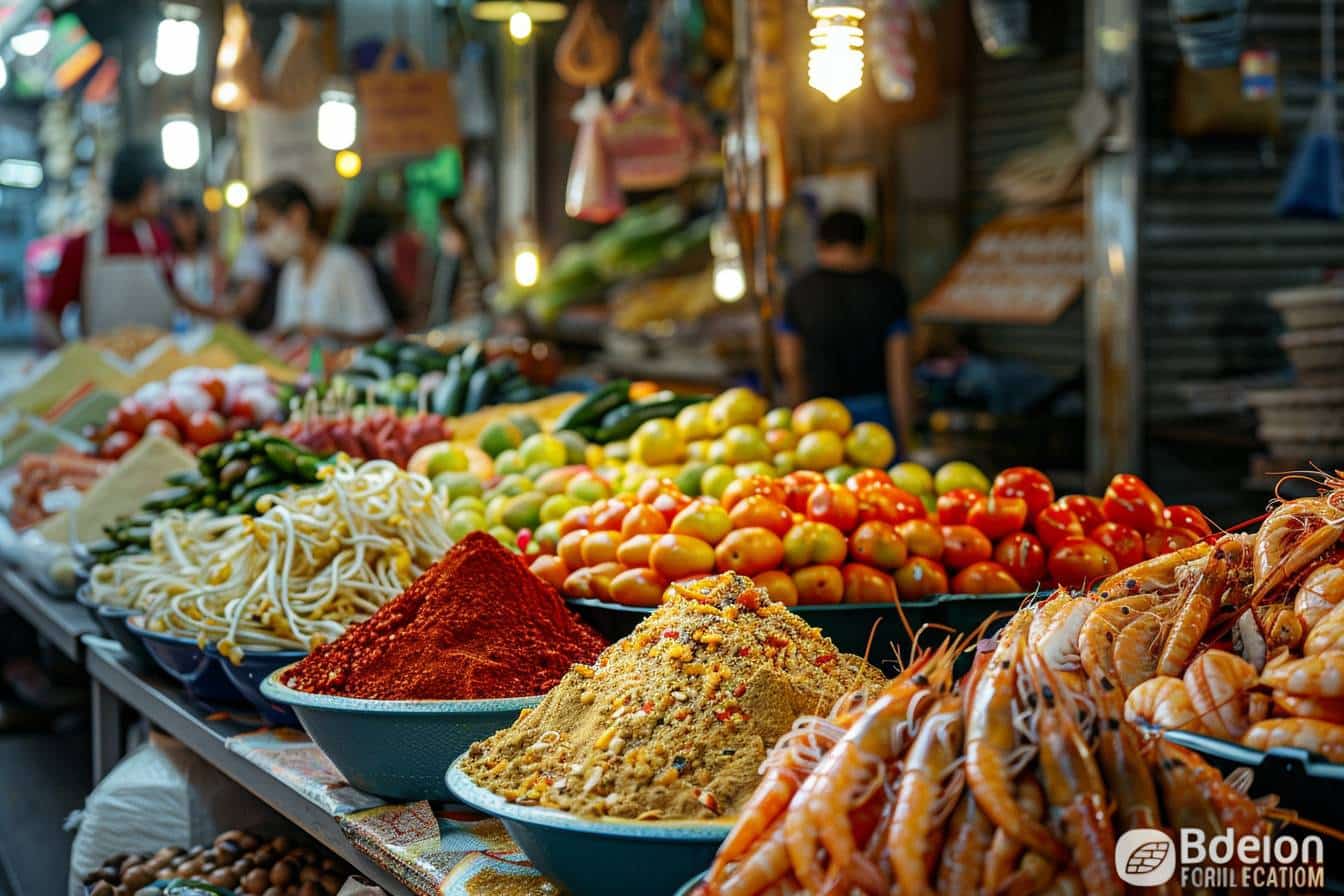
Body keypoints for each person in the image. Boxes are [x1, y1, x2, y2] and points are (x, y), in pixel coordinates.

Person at [40, 143, 212, 346]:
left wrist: (222, 313)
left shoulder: (158, 239)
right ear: (147, 187)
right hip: (104, 373)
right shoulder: (81, 248)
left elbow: (176, 295)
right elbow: (49, 316)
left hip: (159, 367)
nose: (164, 198)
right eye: (161, 189)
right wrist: (72, 357)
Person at [776, 209, 913, 448]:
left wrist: (799, 418)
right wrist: (904, 436)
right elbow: (899, 368)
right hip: (875, 418)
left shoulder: (799, 291)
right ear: (867, 245)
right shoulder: (889, 288)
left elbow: (789, 365)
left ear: (820, 245)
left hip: (820, 419)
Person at [252, 179, 388, 344]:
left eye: (265, 226)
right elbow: (283, 331)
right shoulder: (292, 271)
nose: (263, 239)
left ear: (298, 216)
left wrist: (324, 333)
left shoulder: (344, 264)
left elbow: (376, 333)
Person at [165, 198, 222, 319]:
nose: (183, 227)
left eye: (188, 220)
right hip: (182, 325)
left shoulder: (209, 254)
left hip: (211, 322)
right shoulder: (169, 258)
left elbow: (219, 286)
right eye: (178, 221)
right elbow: (177, 296)